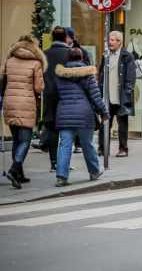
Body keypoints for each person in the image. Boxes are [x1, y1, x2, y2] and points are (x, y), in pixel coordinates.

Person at [54, 48, 108, 186]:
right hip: (84, 115)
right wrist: (104, 112)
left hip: (65, 114)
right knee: (87, 145)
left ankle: (61, 176)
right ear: (82, 58)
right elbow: (96, 96)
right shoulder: (88, 73)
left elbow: (55, 95)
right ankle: (94, 171)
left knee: (64, 145)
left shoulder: (60, 74)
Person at [0, 35, 46, 189]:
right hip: (26, 103)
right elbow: (39, 87)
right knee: (25, 141)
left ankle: (19, 174)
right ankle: (14, 170)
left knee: (16, 140)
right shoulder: (35, 63)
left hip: (10, 101)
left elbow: (3, 80)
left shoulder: (9, 60)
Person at [98, 31, 136, 158]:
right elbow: (101, 74)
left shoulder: (127, 56)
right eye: (110, 39)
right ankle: (102, 148)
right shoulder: (106, 55)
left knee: (122, 125)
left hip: (121, 97)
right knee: (104, 123)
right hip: (107, 97)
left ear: (119, 42)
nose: (110, 42)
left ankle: (123, 149)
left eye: (113, 40)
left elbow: (131, 77)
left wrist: (127, 92)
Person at [43, 27, 71, 171]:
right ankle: (64, 163)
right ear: (65, 37)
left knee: (52, 129)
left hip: (49, 95)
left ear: (52, 38)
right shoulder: (69, 53)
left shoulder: (45, 54)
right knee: (66, 130)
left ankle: (54, 162)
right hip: (66, 95)